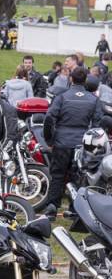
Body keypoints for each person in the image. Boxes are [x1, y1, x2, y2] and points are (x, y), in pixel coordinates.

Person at [43, 67, 102, 216]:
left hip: (62, 142)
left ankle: (52, 206)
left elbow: (49, 118)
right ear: (85, 80)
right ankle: (75, 209)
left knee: (57, 175)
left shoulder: (62, 97)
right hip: (82, 144)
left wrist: (49, 139)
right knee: (78, 177)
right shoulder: (93, 99)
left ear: (71, 79)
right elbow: (97, 124)